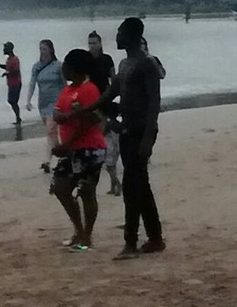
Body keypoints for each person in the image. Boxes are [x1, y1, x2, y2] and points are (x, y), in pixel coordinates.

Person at [75, 17, 164, 260]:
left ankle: (131, 242)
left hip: (141, 131)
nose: (117, 37)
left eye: (120, 33)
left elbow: (154, 102)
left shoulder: (146, 65)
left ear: (131, 36)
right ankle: (155, 237)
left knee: (131, 186)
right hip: (126, 129)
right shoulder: (124, 64)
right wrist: (85, 109)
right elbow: (110, 93)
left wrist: (148, 137)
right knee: (140, 184)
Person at [51, 49, 107, 250]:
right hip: (71, 148)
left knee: (86, 192)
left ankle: (86, 236)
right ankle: (79, 230)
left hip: (89, 148)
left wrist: (67, 141)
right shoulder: (68, 89)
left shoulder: (89, 89)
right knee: (60, 188)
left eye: (66, 64)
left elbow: (89, 121)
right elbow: (58, 110)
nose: (63, 68)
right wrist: (64, 116)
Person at [87, 31, 121, 196]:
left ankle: (115, 180)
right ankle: (114, 180)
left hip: (105, 102)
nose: (92, 46)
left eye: (94, 43)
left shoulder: (106, 59)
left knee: (106, 139)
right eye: (90, 43)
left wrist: (117, 96)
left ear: (100, 43)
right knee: (98, 142)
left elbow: (114, 79)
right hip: (92, 104)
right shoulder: (86, 60)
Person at [25, 39, 64, 173]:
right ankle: (62, 155)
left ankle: (47, 161)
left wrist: (67, 100)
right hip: (43, 103)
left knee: (50, 130)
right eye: (40, 49)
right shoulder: (36, 66)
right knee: (52, 133)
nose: (42, 51)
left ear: (51, 50)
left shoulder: (58, 66)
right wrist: (28, 100)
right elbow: (32, 83)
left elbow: (64, 84)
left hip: (56, 102)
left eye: (44, 49)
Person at [0, 42, 22, 124]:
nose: (3, 50)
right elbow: (8, 67)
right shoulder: (9, 59)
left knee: (12, 101)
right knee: (12, 101)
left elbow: (16, 71)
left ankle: (18, 118)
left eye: (5, 48)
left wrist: (6, 73)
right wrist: (0, 66)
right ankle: (18, 118)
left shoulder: (14, 59)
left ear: (9, 49)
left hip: (16, 83)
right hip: (12, 83)